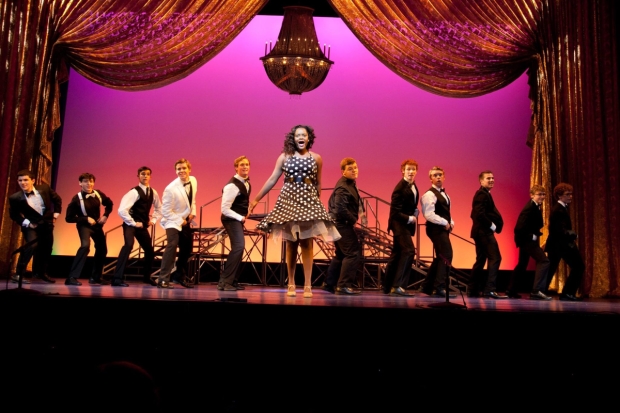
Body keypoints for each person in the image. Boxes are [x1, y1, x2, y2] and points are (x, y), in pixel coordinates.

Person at [249, 125, 340, 298]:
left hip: (308, 201)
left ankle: (307, 285)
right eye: (297, 134)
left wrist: (315, 202)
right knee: (291, 243)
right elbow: (272, 179)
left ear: (308, 138)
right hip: (289, 201)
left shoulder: (316, 158)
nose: (301, 137)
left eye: (303, 135)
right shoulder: (284, 157)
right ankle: (291, 282)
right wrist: (256, 200)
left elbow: (318, 183)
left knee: (307, 243)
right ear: (293, 138)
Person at [8, 169, 62, 284]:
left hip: (46, 224)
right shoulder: (15, 197)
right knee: (32, 245)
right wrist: (27, 223)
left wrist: (56, 213)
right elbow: (14, 215)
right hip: (31, 225)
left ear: (33, 180)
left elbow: (57, 199)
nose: (23, 183)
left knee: (47, 248)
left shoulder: (44, 189)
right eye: (20, 180)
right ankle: (18, 274)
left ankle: (41, 273)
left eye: (26, 180)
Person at [113, 166, 162, 287]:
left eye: (147, 174)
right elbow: (122, 210)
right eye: (142, 174)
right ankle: (117, 279)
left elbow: (159, 208)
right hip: (131, 225)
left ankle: (146, 277)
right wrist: (133, 223)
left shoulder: (153, 192)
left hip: (142, 226)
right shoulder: (134, 192)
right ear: (138, 176)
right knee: (128, 245)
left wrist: (154, 220)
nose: (145, 176)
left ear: (150, 176)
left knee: (149, 251)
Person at [323, 157, 366, 295]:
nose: (354, 170)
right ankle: (343, 286)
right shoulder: (343, 186)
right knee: (353, 253)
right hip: (341, 224)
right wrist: (353, 219)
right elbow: (340, 208)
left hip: (339, 224)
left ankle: (329, 284)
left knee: (341, 254)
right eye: (350, 169)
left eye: (355, 167)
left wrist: (361, 216)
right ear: (343, 172)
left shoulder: (350, 183)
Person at [65, 172, 113, 286]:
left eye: (91, 181)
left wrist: (105, 215)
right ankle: (71, 277)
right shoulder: (77, 198)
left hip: (96, 226)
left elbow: (109, 204)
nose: (89, 184)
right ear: (80, 183)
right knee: (85, 246)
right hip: (84, 225)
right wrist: (85, 219)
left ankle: (95, 277)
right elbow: (69, 218)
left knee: (102, 249)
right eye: (86, 181)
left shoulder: (98, 194)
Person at [382, 159, 420, 297]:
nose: (411, 172)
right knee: (409, 251)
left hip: (404, 225)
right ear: (403, 170)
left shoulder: (413, 185)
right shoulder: (400, 188)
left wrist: (414, 211)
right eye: (408, 169)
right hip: (399, 224)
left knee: (397, 254)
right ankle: (398, 286)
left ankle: (387, 287)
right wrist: (410, 218)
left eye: (413, 169)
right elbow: (395, 213)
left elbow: (409, 204)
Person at [157, 158, 197, 289]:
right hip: (172, 221)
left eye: (184, 168)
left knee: (187, 248)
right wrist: (181, 220)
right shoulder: (170, 189)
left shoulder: (194, 180)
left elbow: (193, 199)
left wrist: (193, 213)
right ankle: (163, 279)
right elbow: (165, 211)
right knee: (172, 245)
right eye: (179, 169)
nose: (181, 171)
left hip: (185, 219)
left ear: (189, 169)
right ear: (175, 171)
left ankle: (178, 276)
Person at [507, 185, 551, 300]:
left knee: (522, 264)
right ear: (532, 195)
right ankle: (537, 290)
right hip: (527, 241)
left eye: (543, 194)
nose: (542, 196)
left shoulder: (536, 206)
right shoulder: (529, 208)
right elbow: (518, 228)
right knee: (544, 260)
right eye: (539, 194)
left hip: (526, 240)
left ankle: (511, 290)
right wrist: (531, 236)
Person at [468, 171, 508, 299]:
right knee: (495, 258)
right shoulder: (482, 194)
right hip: (483, 232)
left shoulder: (485, 194)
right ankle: (489, 289)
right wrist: (492, 225)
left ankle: (473, 289)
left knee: (480, 260)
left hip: (480, 232)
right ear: (481, 181)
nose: (491, 180)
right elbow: (478, 213)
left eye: (492, 178)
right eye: (488, 178)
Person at [544, 183, 584, 301]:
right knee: (579, 266)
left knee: (551, 269)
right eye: (567, 194)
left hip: (558, 245)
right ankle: (567, 293)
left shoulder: (561, 208)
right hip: (562, 245)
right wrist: (572, 234)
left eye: (571, 194)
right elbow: (559, 230)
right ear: (559, 196)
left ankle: (540, 291)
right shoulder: (558, 209)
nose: (570, 196)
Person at [420, 166, 455, 297]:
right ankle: (439, 287)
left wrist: (451, 222)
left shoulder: (445, 194)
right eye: (435, 175)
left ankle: (427, 286)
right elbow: (428, 214)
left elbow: (446, 212)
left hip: (442, 229)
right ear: (431, 179)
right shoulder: (429, 195)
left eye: (440, 175)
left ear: (444, 177)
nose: (438, 177)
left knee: (440, 257)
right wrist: (445, 222)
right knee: (447, 255)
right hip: (435, 229)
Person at [218, 156, 251, 291]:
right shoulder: (232, 185)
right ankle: (225, 282)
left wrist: (247, 211)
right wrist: (240, 217)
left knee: (239, 248)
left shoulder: (246, 182)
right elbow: (225, 209)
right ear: (236, 167)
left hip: (237, 218)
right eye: (242, 165)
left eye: (247, 164)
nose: (245, 167)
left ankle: (232, 281)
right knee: (238, 246)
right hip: (230, 219)